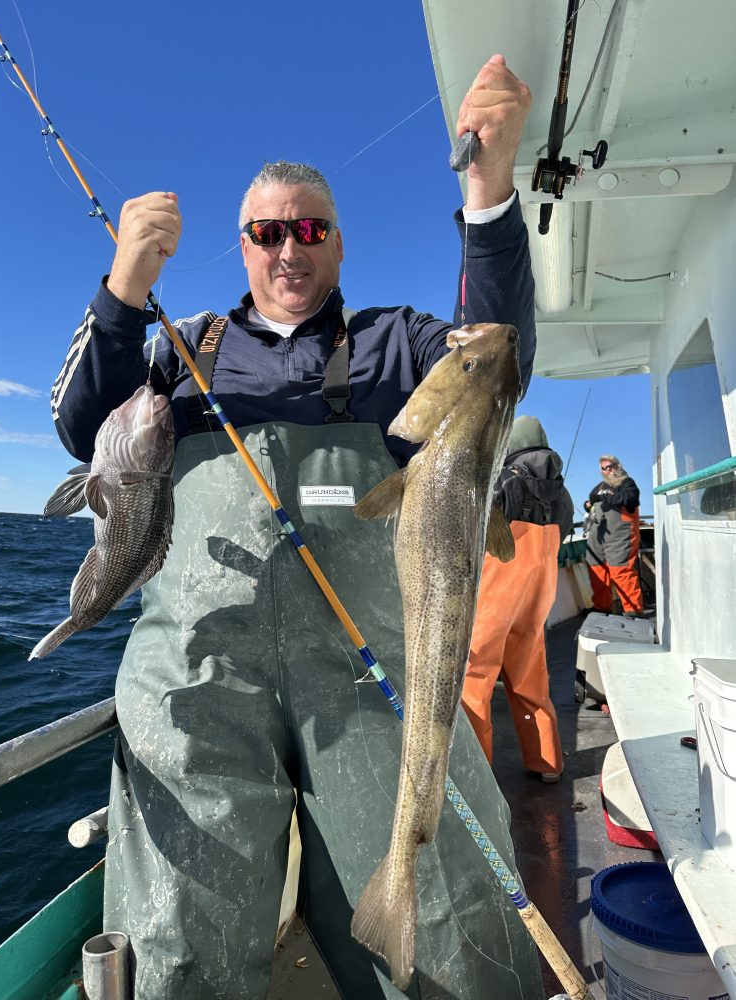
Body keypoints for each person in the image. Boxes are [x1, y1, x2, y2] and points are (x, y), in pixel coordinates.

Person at [50, 57, 543, 1000]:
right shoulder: (180, 350)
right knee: (179, 934)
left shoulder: (398, 345)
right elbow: (81, 428)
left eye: (309, 229)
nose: (289, 249)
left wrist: (489, 193)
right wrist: (121, 290)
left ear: (339, 245)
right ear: (242, 246)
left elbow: (497, 360)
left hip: (367, 671)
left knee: (446, 919)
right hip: (196, 672)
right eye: (267, 231)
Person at [462, 415, 573, 783]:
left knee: (474, 681)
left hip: (497, 597)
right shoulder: (563, 492)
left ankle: (476, 778)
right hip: (537, 597)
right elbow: (567, 530)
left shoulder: (502, 480)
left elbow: (475, 528)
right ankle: (548, 764)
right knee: (531, 682)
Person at [583, 454, 644, 616]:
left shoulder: (627, 483)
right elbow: (592, 502)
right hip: (598, 534)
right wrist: (588, 505)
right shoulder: (599, 487)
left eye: (611, 466)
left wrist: (602, 498)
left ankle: (633, 610)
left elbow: (629, 498)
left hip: (620, 534)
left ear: (618, 466)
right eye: (604, 468)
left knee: (621, 569)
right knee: (596, 568)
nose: (608, 470)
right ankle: (602, 606)